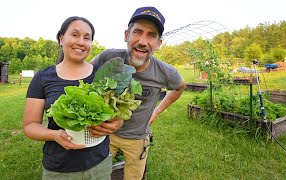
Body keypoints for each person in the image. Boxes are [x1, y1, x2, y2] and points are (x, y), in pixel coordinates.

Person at [89, 6, 186, 179]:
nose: (143, 41)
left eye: (151, 35)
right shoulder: (108, 58)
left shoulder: (166, 72)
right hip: (105, 134)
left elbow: (179, 88)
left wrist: (156, 111)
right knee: (96, 174)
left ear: (159, 43)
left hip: (137, 138)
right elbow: (85, 75)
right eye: (138, 32)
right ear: (126, 35)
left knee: (134, 176)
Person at [23, 16, 120, 180]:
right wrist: (53, 135)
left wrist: (118, 123)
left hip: (100, 164)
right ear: (62, 39)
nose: (81, 42)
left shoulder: (103, 75)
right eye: (75, 35)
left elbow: (117, 113)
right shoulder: (42, 78)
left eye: (87, 38)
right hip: (60, 169)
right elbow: (30, 125)